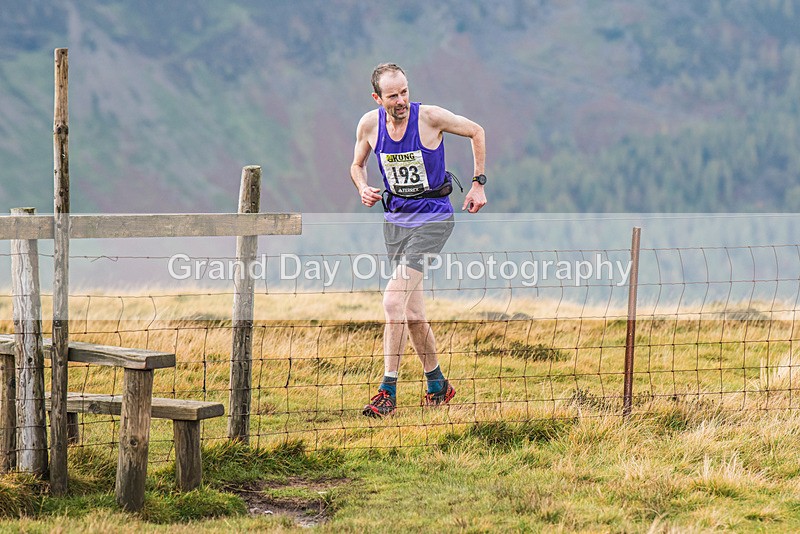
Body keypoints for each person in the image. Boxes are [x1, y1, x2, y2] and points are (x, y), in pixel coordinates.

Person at [349, 63, 487, 417]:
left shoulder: (429, 118)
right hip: (395, 223)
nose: (401, 101)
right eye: (393, 95)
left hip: (433, 221)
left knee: (393, 301)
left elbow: (476, 131)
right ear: (377, 98)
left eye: (405, 92)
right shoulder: (369, 125)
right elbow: (357, 164)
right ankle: (438, 385)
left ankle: (387, 391)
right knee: (412, 313)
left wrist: (477, 184)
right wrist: (363, 187)